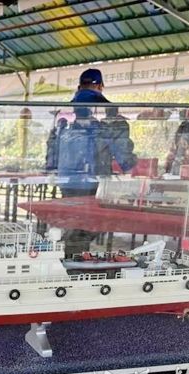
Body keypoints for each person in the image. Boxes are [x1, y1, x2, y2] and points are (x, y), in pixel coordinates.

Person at [54, 69, 137, 257]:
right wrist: (132, 163)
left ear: (78, 87)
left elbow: (52, 153)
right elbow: (125, 158)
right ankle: (74, 257)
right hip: (94, 182)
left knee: (76, 222)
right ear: (100, 86)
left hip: (67, 182)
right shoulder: (109, 114)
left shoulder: (62, 114)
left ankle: (70, 255)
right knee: (94, 223)